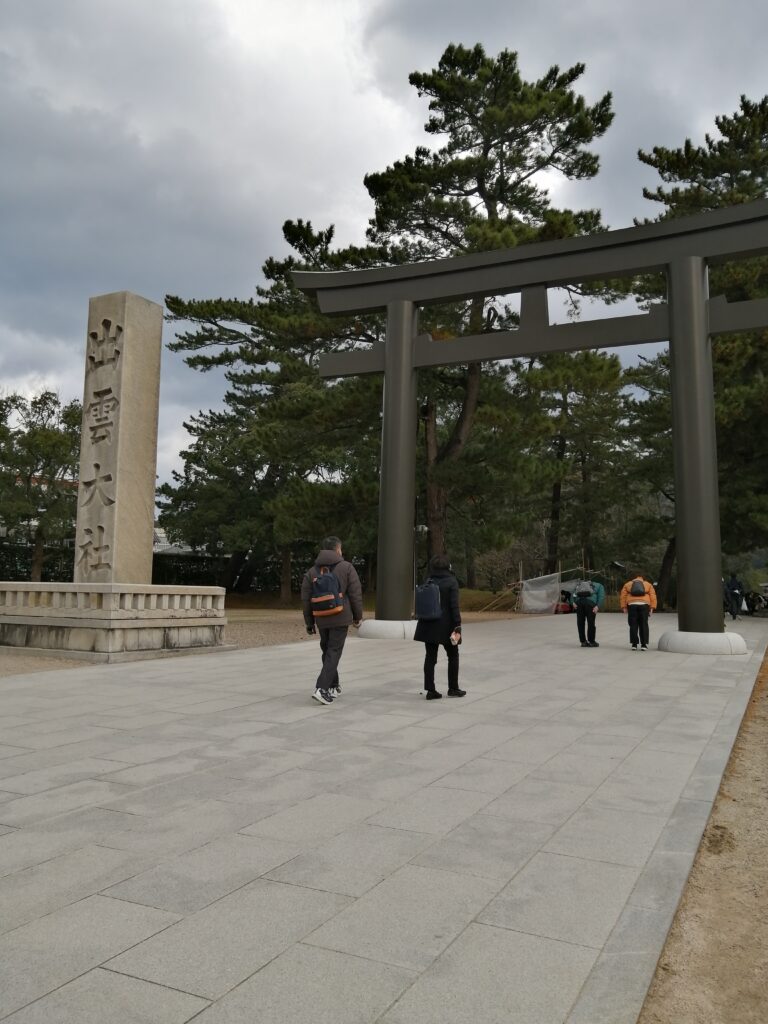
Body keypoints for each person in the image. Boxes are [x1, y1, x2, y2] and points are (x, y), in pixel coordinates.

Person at [301, 536, 363, 705]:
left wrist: (309, 623)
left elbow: (306, 599)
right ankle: (321, 688)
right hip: (340, 617)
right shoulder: (347, 567)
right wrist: (358, 617)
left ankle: (333, 686)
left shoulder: (311, 572)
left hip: (321, 618)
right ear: (337, 550)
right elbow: (356, 595)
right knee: (333, 652)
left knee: (328, 651)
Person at [413, 554, 465, 699]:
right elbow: (454, 606)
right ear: (448, 566)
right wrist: (458, 625)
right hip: (447, 625)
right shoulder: (452, 582)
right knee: (453, 655)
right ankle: (453, 688)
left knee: (430, 657)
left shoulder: (428, 580)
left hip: (428, 624)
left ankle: (430, 690)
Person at [619, 573, 657, 651]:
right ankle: (644, 645)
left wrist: (624, 607)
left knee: (633, 624)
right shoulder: (648, 584)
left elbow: (623, 596)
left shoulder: (628, 584)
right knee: (644, 624)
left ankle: (634, 644)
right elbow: (653, 596)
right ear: (642, 578)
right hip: (644, 605)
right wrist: (652, 608)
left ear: (633, 578)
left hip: (632, 605)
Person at [569, 578, 606, 647]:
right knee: (591, 622)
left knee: (580, 623)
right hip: (590, 604)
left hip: (579, 603)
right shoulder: (599, 585)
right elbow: (601, 596)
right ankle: (592, 642)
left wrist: (573, 602)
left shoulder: (579, 585)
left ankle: (583, 642)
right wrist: (597, 606)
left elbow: (573, 594)